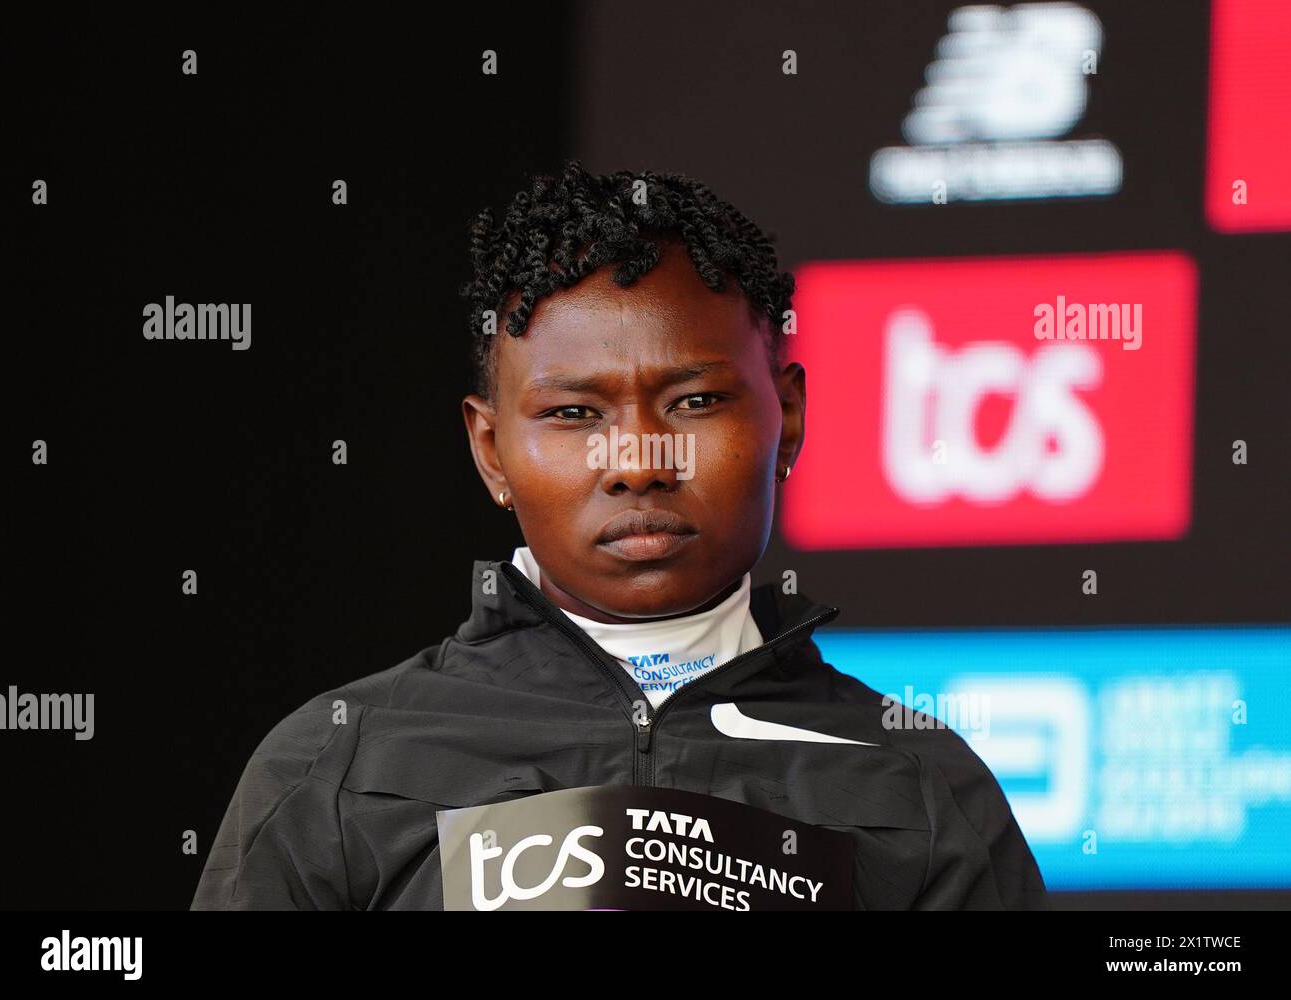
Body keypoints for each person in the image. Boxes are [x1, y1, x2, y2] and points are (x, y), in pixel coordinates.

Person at [190, 159, 1049, 910]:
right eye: (573, 413)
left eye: (695, 402)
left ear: (785, 417)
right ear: (492, 451)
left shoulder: (925, 789)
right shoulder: (334, 765)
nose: (638, 460)